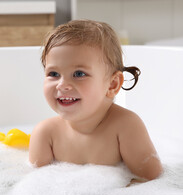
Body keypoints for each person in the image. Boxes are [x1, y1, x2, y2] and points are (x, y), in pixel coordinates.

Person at [29, 20, 163, 181]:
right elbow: (34, 185)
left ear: (112, 84)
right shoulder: (45, 134)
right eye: (53, 74)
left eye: (79, 74)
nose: (62, 85)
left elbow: (150, 180)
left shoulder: (126, 126)